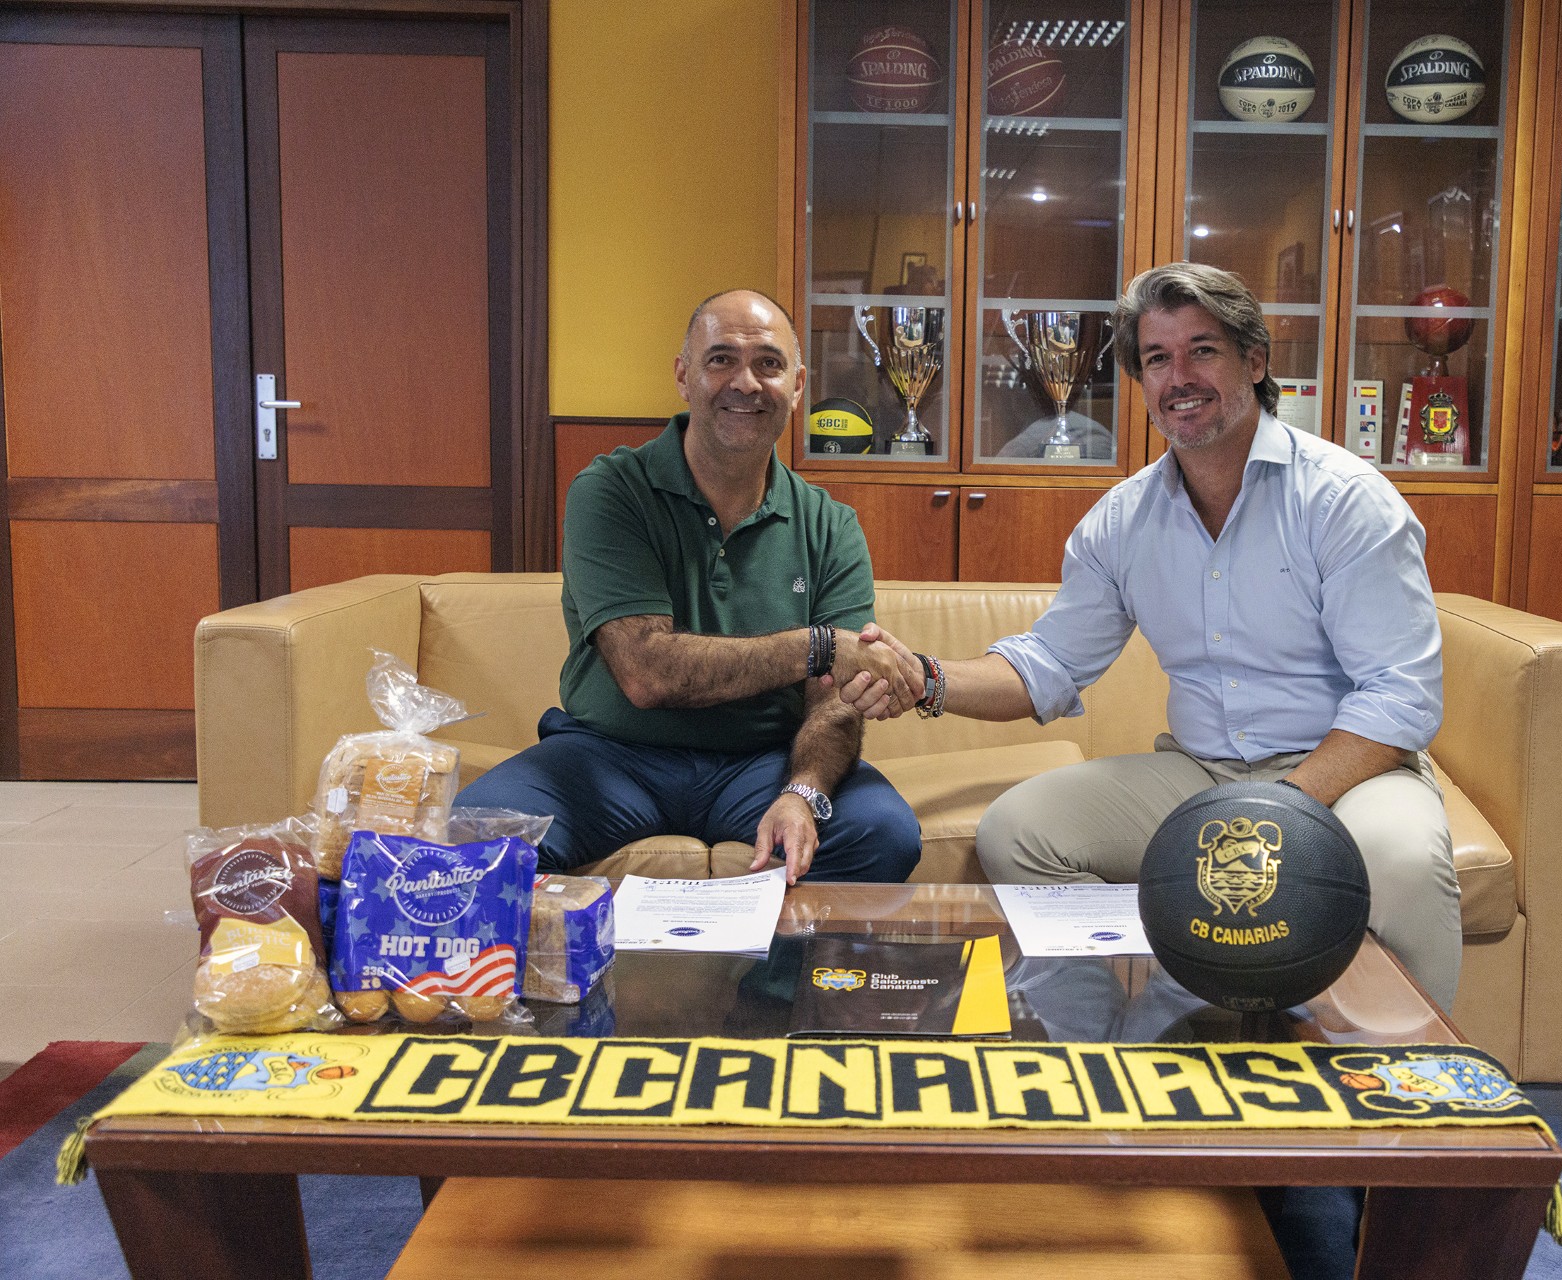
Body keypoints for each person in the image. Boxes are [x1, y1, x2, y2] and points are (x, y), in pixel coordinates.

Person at [835, 262, 1460, 1006]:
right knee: (1020, 832)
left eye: (1203, 350)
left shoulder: (1343, 499)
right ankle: (1121, 1019)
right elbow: (1050, 664)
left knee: (1403, 860)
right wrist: (925, 679)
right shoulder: (1124, 520)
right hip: (1202, 773)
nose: (1179, 377)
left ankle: (1404, 1067)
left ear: (1255, 363)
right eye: (1158, 359)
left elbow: (1398, 696)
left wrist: (1274, 811)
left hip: (1348, 774)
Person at [458, 289, 921, 883]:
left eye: (769, 364)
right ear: (683, 375)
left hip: (765, 764)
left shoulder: (830, 525)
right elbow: (646, 672)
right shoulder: (612, 491)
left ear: (798, 386)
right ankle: (586, 949)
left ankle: (768, 953)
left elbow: (835, 699)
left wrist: (803, 792)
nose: (746, 383)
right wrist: (820, 646)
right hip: (610, 757)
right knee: (468, 840)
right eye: (721, 359)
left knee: (883, 835)